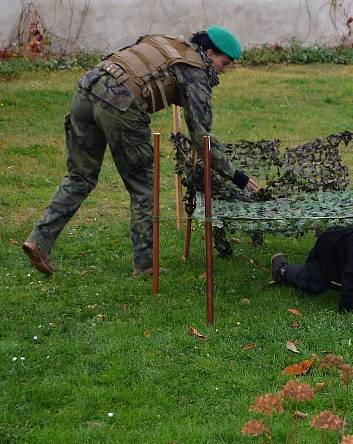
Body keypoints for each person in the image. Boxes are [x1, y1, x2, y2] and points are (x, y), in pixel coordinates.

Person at [22, 26, 257, 277]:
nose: (225, 69)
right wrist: (238, 177)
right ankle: (145, 266)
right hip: (121, 105)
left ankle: (39, 240)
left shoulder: (168, 42)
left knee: (80, 177)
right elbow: (201, 137)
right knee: (144, 187)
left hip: (87, 88)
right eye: (225, 62)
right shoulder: (195, 70)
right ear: (209, 53)